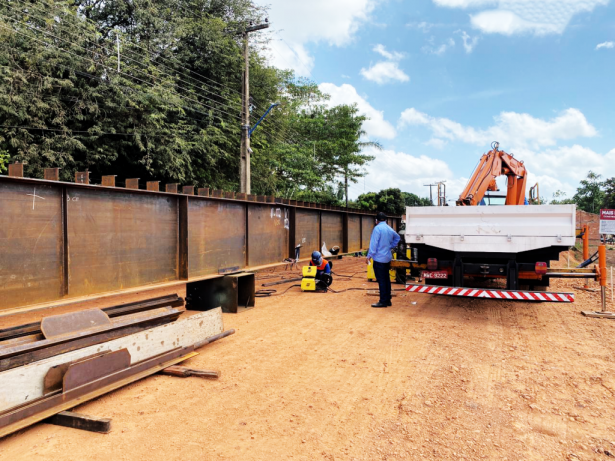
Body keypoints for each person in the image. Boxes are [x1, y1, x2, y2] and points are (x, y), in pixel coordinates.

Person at [366, 212, 400, 308]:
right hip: (387, 258)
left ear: (376, 220)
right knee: (386, 279)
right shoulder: (389, 229)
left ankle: (383, 301)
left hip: (379, 258)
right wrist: (390, 246)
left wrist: (369, 256)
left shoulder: (377, 229)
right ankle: (388, 299)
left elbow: (374, 244)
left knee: (381, 280)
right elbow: (397, 237)